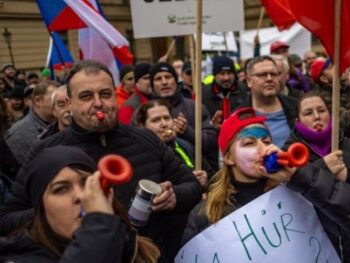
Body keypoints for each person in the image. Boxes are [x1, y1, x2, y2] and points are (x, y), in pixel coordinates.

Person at [0, 60, 201, 263]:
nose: (98, 103)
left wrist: (174, 196)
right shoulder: (47, 152)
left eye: (105, 94)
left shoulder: (146, 139)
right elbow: (7, 219)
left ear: (115, 96)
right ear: (69, 104)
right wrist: (60, 212)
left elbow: (192, 186)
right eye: (86, 96)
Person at [182, 107, 350, 262]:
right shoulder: (205, 214)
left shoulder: (298, 192)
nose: (263, 148)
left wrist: (301, 178)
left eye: (266, 141)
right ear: (228, 158)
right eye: (249, 143)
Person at [0, 145, 160, 263]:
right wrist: (100, 227)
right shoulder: (22, 258)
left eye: (86, 183)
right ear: (42, 207)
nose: (81, 196)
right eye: (61, 189)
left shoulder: (132, 248)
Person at [283, 92, 350, 261]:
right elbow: (288, 193)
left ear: (331, 114)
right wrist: (323, 168)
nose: (317, 116)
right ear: (297, 121)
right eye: (308, 113)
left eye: (321, 110)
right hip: (319, 248)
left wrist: (348, 174)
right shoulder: (290, 156)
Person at [149, 62, 219, 170]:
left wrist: (187, 132)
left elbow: (210, 143)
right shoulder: (144, 112)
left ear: (176, 81)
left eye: (168, 77)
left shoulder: (195, 107)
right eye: (158, 79)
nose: (164, 82)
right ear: (152, 85)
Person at [136, 99, 213, 188]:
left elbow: (213, 175)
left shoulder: (185, 144)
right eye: (156, 120)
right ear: (142, 126)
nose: (164, 124)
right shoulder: (143, 156)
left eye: (167, 118)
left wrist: (206, 178)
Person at [245, 56, 297, 147]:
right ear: (249, 81)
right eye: (262, 75)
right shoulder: (239, 115)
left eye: (273, 74)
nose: (269, 79)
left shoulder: (297, 107)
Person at [5, 80, 59, 164]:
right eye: (54, 99)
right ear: (38, 101)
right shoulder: (18, 134)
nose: (61, 104)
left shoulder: (62, 125)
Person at [202, 56, 249, 129]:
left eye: (229, 73)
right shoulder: (204, 93)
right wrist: (211, 124)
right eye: (222, 74)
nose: (226, 78)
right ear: (215, 75)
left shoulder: (244, 90)